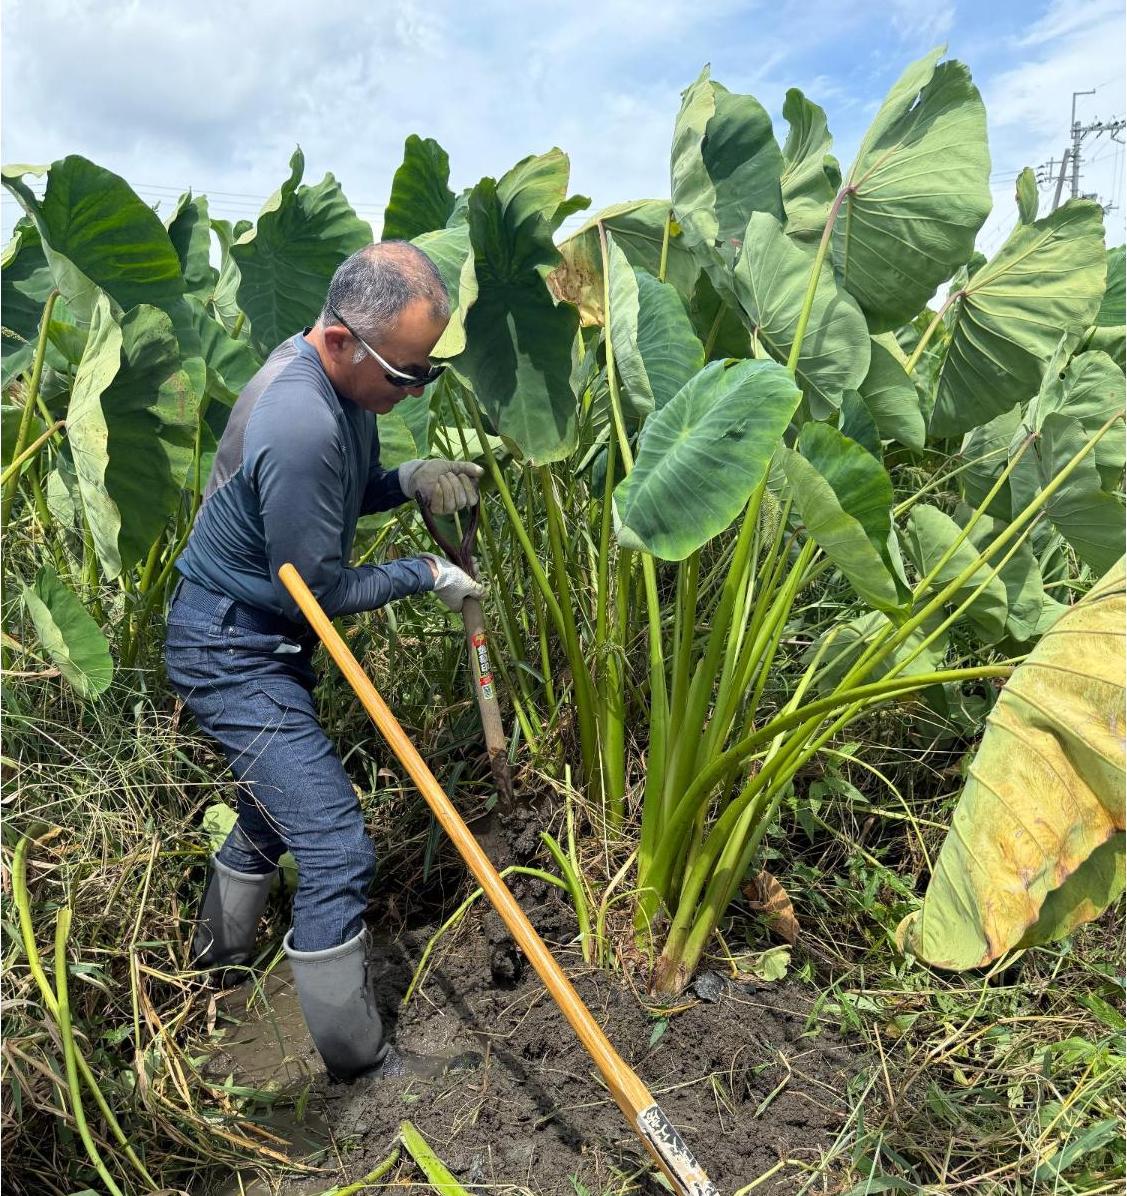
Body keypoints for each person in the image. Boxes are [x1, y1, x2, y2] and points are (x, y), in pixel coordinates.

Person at [164, 242, 485, 1080]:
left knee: (276, 809)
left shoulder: (339, 385)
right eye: (405, 373)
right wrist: (425, 573)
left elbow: (343, 488)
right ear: (342, 340)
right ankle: (359, 1065)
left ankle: (215, 966)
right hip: (231, 647)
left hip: (257, 634)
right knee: (338, 847)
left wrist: (406, 477)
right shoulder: (300, 416)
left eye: (425, 373)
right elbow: (318, 588)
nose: (411, 390)